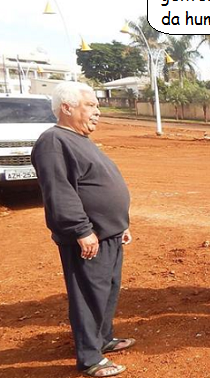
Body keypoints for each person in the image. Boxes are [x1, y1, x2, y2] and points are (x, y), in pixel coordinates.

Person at [31, 82, 134, 377]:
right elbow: (59, 192)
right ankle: (90, 358)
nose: (97, 112)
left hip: (109, 234)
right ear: (66, 108)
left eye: (97, 106)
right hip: (88, 238)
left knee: (106, 291)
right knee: (88, 296)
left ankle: (102, 339)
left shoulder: (80, 139)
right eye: (90, 105)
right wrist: (81, 230)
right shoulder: (54, 141)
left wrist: (120, 224)